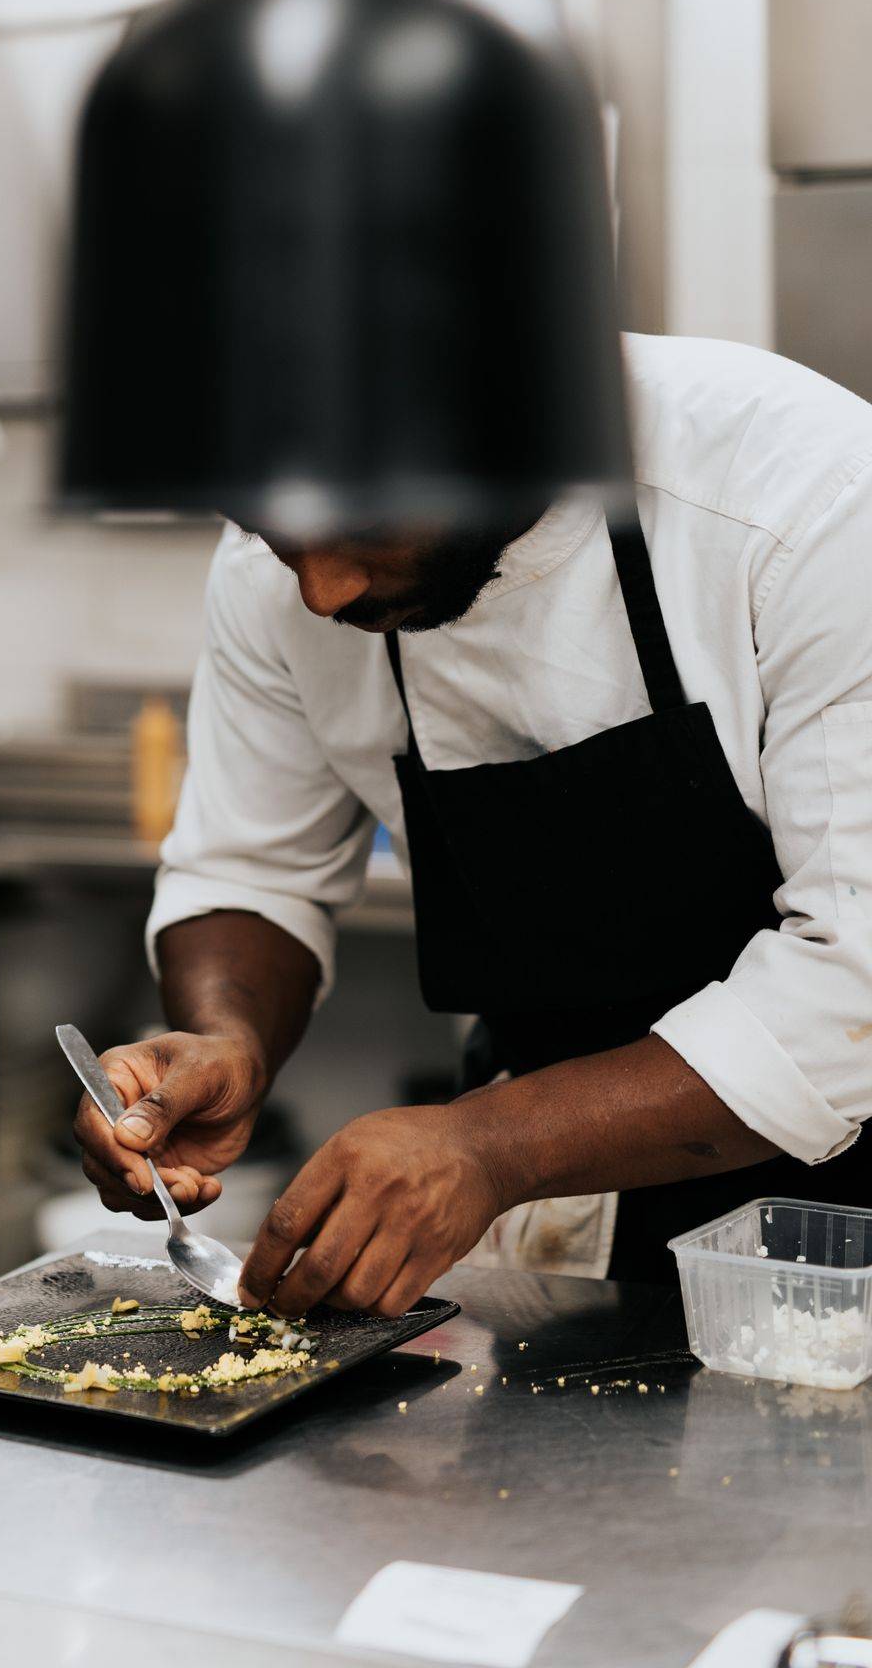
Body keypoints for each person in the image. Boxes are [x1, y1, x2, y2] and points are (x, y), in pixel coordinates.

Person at [74, 335, 872, 1314]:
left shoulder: (806, 496)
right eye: (281, 542)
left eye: (366, 522)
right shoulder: (274, 575)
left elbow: (853, 988)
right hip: (567, 1205)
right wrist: (225, 1040)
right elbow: (250, 872)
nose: (324, 590)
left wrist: (488, 1146)